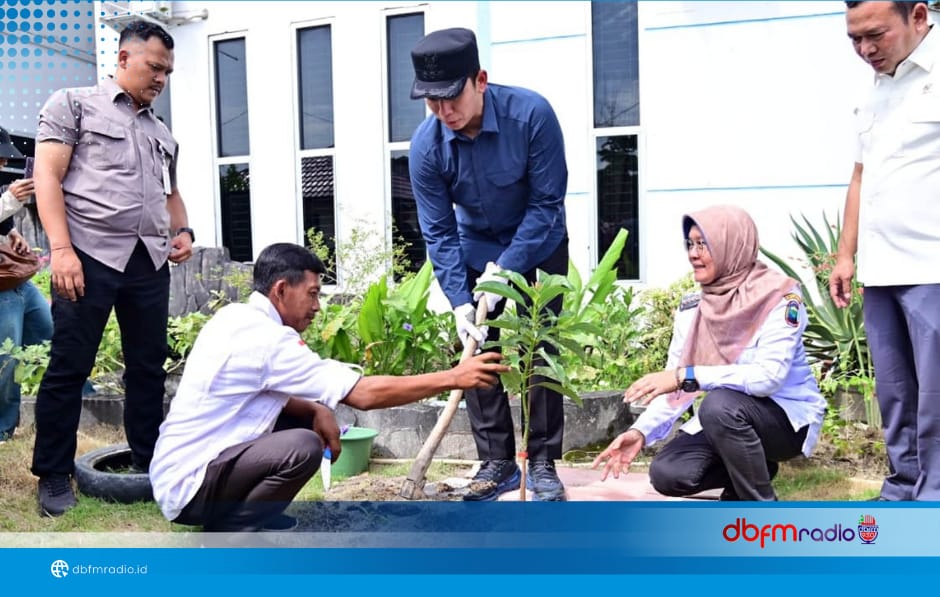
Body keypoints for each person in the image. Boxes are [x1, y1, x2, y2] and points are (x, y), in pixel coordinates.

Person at [149, 243, 508, 532]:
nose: (318, 307)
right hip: (191, 488)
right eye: (313, 294)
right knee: (303, 446)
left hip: (180, 471)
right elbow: (363, 394)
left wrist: (316, 409)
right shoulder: (267, 340)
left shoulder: (235, 317)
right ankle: (234, 530)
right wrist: (454, 377)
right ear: (281, 290)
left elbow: (262, 390)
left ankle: (256, 511)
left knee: (306, 419)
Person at [31, 20, 193, 517]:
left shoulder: (161, 131)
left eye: (167, 70)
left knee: (147, 367)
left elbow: (170, 193)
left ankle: (148, 459)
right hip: (89, 257)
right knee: (69, 365)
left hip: (147, 263)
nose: (161, 78)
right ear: (123, 58)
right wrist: (61, 251)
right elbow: (46, 176)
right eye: (153, 67)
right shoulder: (73, 104)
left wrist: (183, 232)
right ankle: (54, 475)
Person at [408, 28, 570, 501]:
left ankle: (541, 462)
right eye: (431, 103)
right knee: (478, 351)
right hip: (475, 246)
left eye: (450, 98)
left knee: (542, 347)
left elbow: (546, 204)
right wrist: (461, 300)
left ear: (480, 79)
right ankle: (497, 461)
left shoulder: (532, 115)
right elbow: (437, 231)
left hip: (540, 245)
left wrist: (509, 270)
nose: (444, 112)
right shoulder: (426, 146)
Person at [592, 206, 827, 501]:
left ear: (732, 245)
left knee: (718, 405)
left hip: (786, 419)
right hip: (729, 420)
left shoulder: (779, 299)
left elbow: (767, 379)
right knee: (668, 473)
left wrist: (686, 376)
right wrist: (640, 432)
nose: (693, 253)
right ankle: (756, 469)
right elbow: (674, 386)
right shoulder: (694, 308)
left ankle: (761, 509)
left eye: (703, 244)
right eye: (690, 244)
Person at [830, 1, 939, 501]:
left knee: (936, 399)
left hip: (932, 268)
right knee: (895, 394)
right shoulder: (875, 90)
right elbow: (860, 175)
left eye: (875, 34)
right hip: (882, 269)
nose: (865, 49)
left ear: (918, 17)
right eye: (854, 39)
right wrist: (845, 254)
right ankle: (902, 488)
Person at [0, 126, 47, 442]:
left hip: (18, 283)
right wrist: (8, 201)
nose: (4, 164)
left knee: (49, 335)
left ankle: (78, 408)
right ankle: (3, 430)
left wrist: (13, 235)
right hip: (2, 291)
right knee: (6, 360)